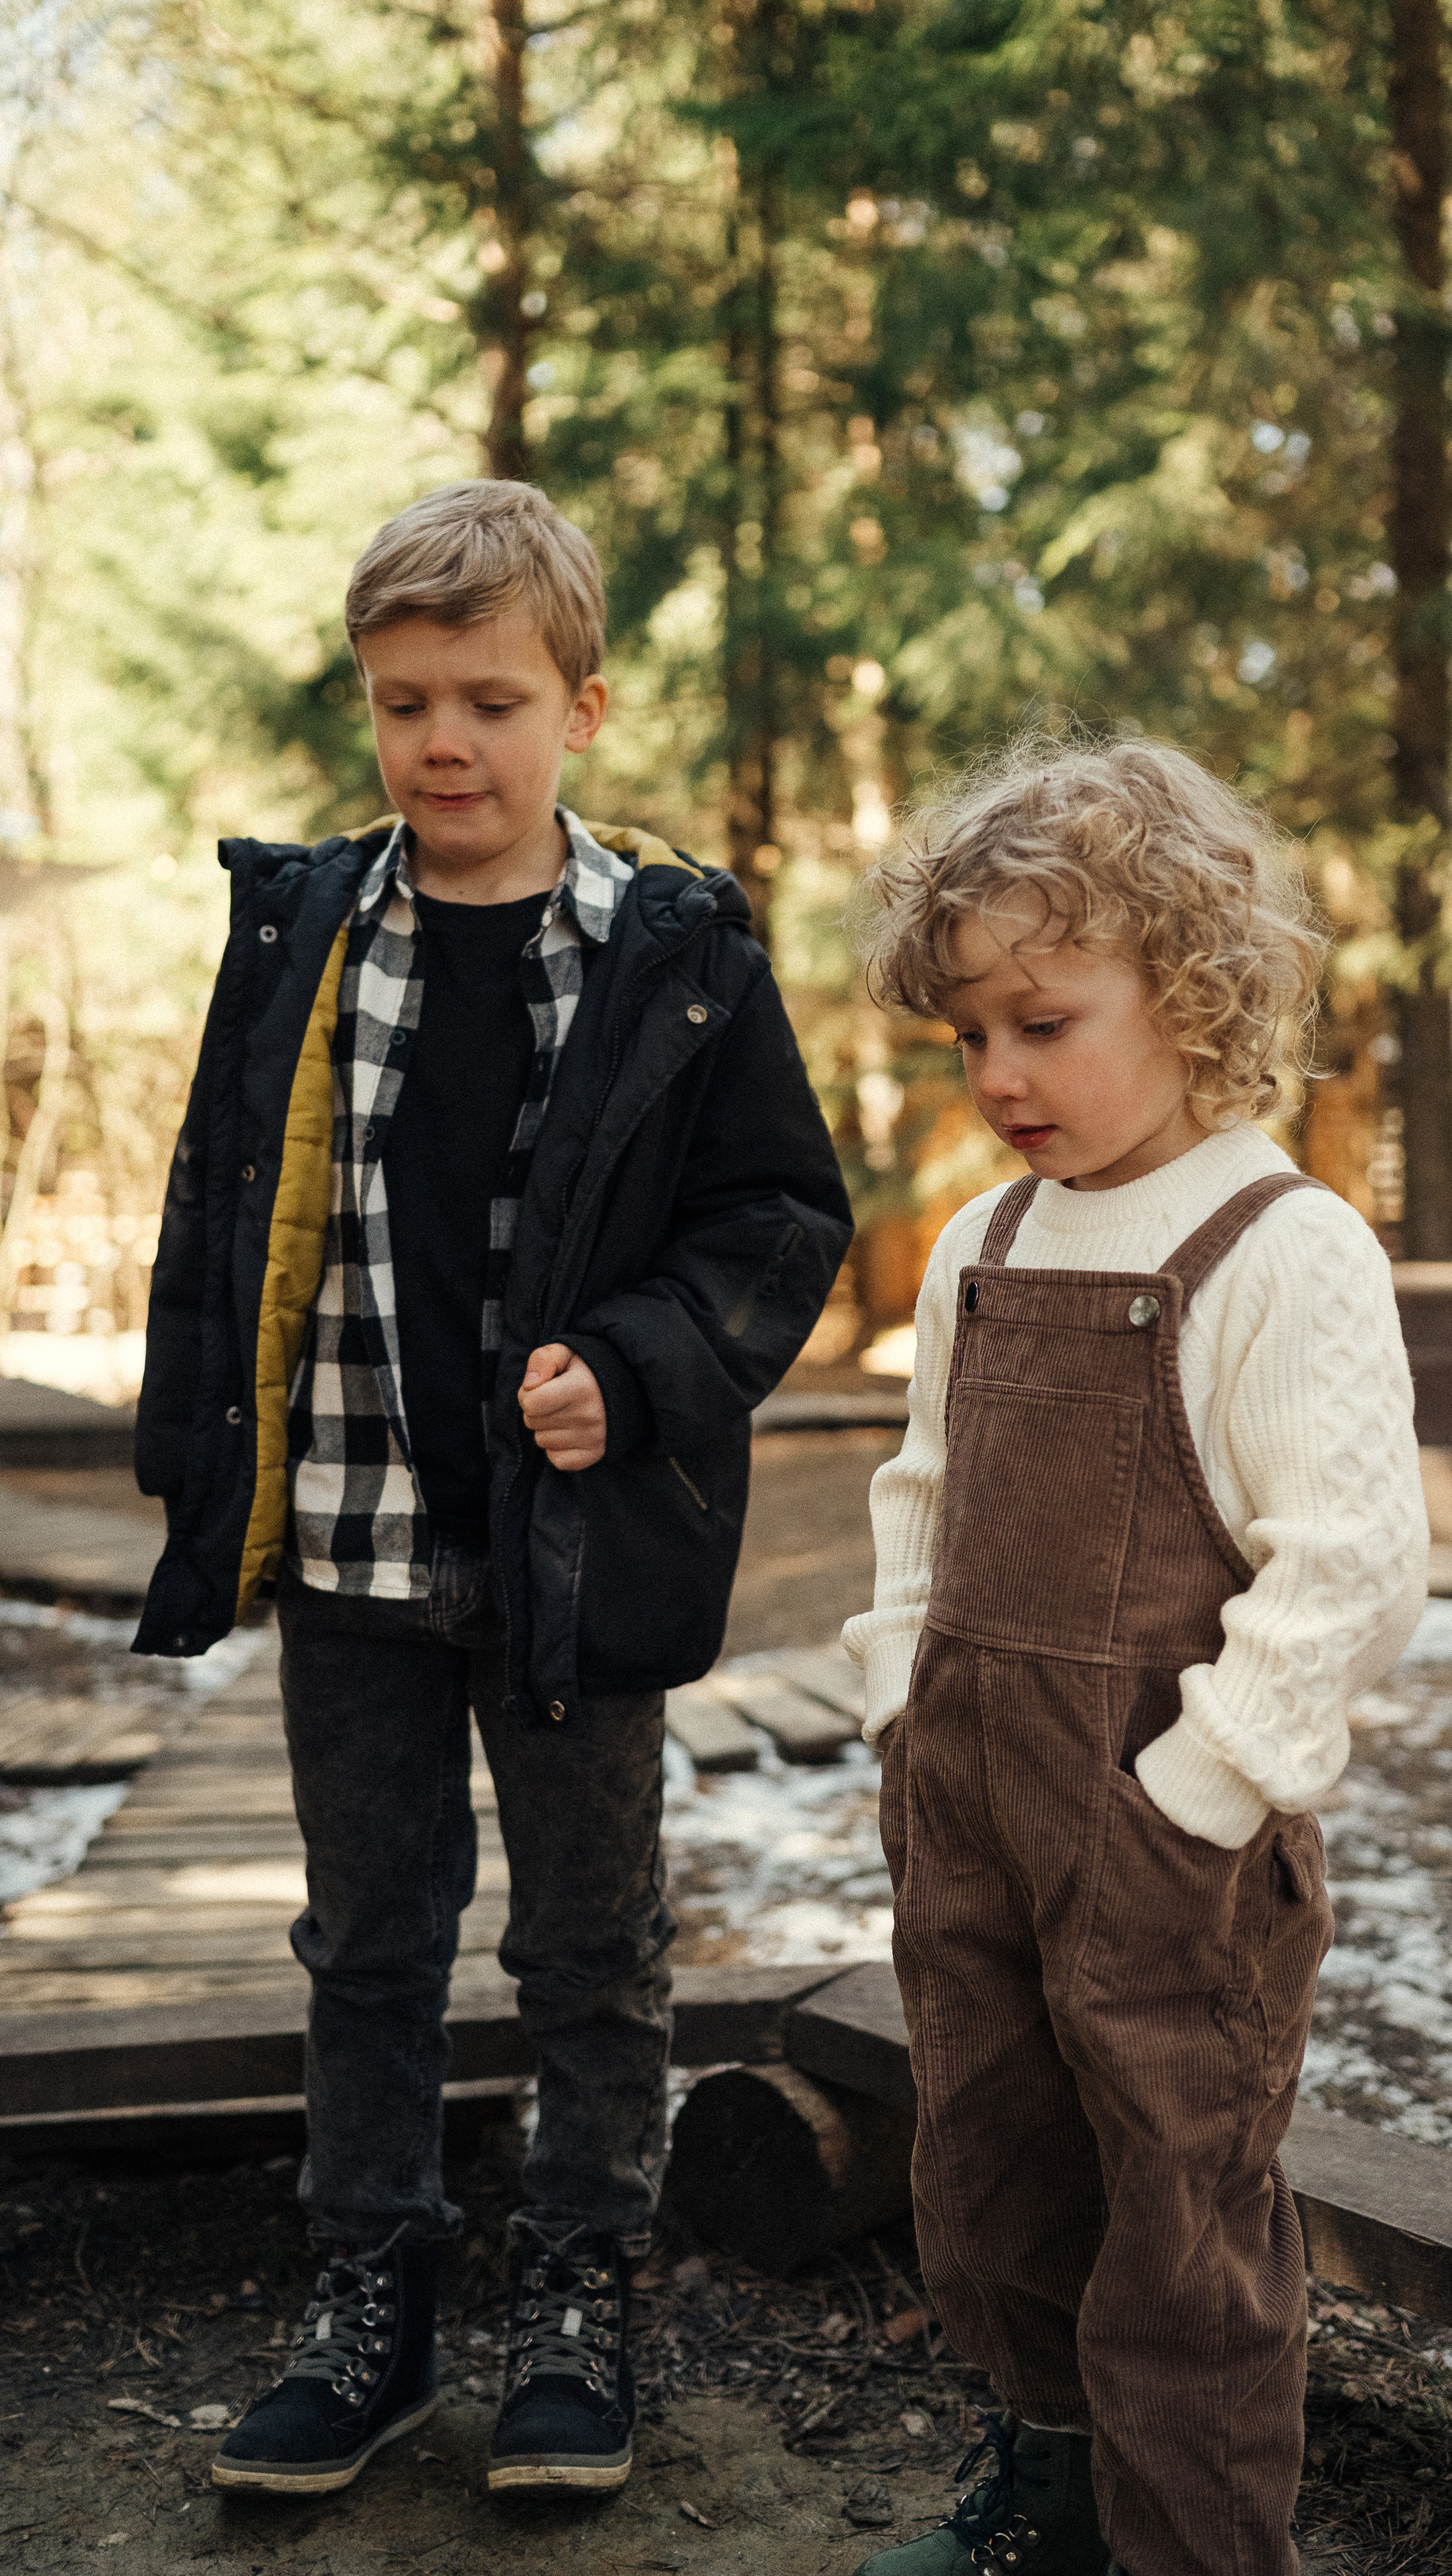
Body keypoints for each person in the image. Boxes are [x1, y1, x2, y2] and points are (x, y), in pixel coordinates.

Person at [131, 479, 851, 2498]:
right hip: (353, 1543)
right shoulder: (303, 935)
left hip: (571, 1557)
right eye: (406, 701)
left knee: (588, 1948)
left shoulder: (674, 950)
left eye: (494, 702)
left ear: (585, 711)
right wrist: (201, 1467)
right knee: (367, 1940)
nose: (447, 743)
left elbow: (777, 1218)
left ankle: (580, 2296)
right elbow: (221, 1216)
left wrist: (633, 1371)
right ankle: (370, 2299)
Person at [841, 737, 1427, 2576]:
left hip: (1171, 1839)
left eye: (1043, 1021)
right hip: (967, 1801)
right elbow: (924, 1489)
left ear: (1188, 991)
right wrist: (895, 1701)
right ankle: (1047, 2490)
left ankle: (1187, 2543)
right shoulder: (982, 1244)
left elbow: (1350, 1567)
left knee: (1177, 2218)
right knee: (993, 2168)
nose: (1000, 1075)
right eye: (969, 1039)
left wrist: (1193, 1794)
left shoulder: (1281, 1246)